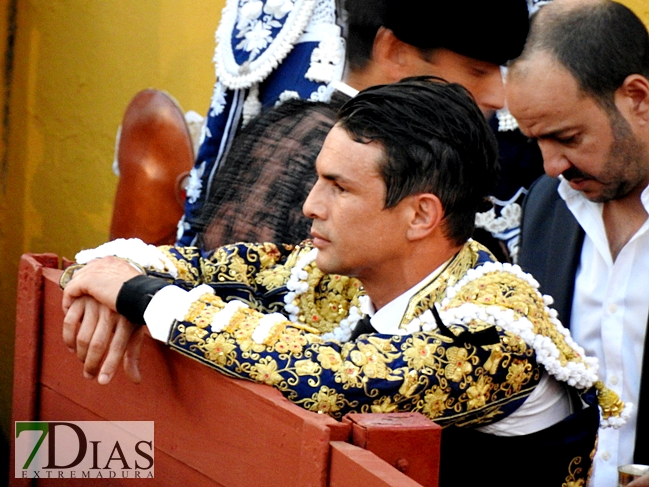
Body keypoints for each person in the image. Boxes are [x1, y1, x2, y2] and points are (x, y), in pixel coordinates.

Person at [62, 77, 622, 486]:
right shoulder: (351, 271)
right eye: (317, 181)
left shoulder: (492, 333)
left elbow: (333, 379)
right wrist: (107, 273)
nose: (310, 206)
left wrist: (136, 294)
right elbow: (194, 267)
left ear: (421, 216)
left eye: (339, 188)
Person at [188, 0, 533, 255]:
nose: (497, 97)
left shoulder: (286, 131)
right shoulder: (366, 164)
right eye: (476, 71)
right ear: (394, 52)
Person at [506, 0, 649, 485]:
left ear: (638, 97)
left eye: (567, 136)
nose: (551, 166)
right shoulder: (549, 205)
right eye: (535, 142)